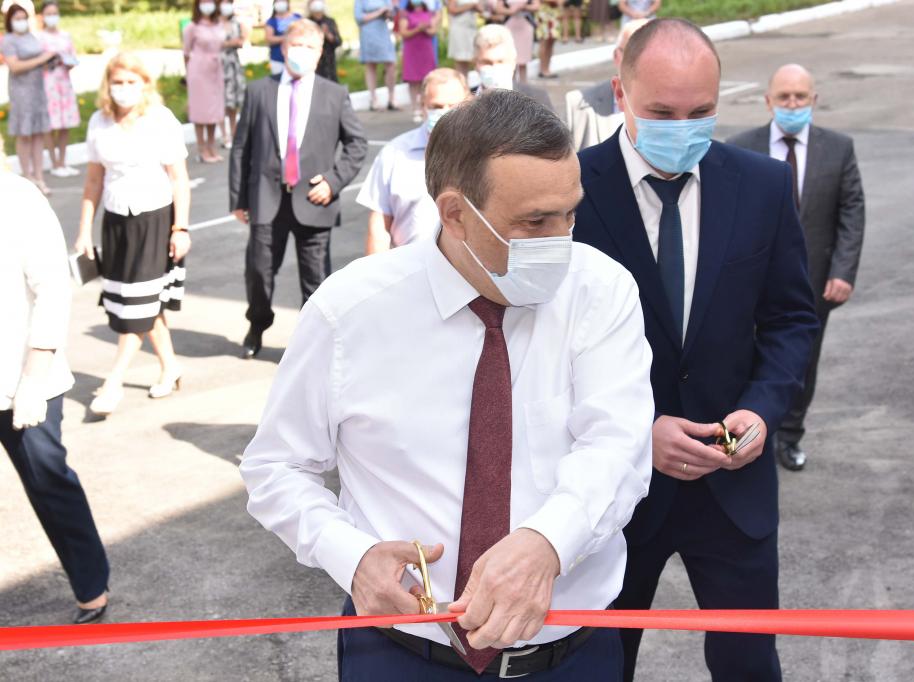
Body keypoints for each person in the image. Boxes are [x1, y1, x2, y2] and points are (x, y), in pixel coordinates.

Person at [240, 88, 653, 680]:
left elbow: (618, 446)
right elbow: (277, 467)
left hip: (570, 657)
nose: (561, 240)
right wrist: (351, 558)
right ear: (455, 212)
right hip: (401, 654)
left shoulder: (600, 290)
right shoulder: (349, 312)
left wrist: (547, 542)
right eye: (535, 221)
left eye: (570, 213)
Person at [572, 19, 818, 681]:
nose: (682, 128)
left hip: (732, 487)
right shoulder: (569, 191)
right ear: (620, 94)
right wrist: (636, 433)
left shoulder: (762, 186)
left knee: (749, 665)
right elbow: (541, 348)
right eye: (662, 113)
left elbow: (792, 319)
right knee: (600, 665)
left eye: (701, 112)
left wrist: (763, 410)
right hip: (611, 494)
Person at [728, 64, 866, 472]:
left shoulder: (838, 148)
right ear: (768, 101)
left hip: (813, 281)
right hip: (748, 280)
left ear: (813, 100)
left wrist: (842, 272)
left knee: (801, 359)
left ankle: (789, 435)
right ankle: (744, 433)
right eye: (784, 97)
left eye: (800, 97)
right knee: (740, 356)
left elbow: (852, 211)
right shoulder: (741, 147)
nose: (792, 104)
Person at [1, 142, 111, 626]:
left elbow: (51, 289)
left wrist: (33, 377)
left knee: (49, 484)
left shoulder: (17, 198)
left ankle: (92, 586)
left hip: (21, 378)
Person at [229, 20, 367, 360]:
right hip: (266, 198)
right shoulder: (259, 91)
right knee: (259, 270)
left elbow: (357, 144)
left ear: (319, 53)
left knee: (315, 278)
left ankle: (312, 341)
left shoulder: (334, 94)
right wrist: (238, 198)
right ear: (283, 48)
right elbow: (241, 147)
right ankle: (258, 323)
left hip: (313, 200)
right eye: (295, 45)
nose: (301, 53)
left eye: (309, 47)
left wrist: (333, 181)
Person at [74, 52, 192, 417]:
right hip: (116, 223)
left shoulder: (160, 119)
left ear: (144, 84)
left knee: (138, 305)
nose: (124, 88)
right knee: (138, 301)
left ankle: (113, 382)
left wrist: (181, 228)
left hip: (155, 220)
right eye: (118, 82)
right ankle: (170, 367)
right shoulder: (99, 121)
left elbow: (179, 178)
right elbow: (94, 181)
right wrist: (84, 230)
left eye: (131, 82)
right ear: (107, 85)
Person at [358, 68, 469, 254]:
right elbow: (379, 226)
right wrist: (375, 270)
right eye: (436, 106)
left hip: (468, 268)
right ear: (423, 104)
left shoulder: (483, 154)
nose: (445, 113)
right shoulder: (394, 154)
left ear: (468, 104)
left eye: (453, 106)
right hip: (408, 265)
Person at [565, 18, 647, 151]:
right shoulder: (577, 105)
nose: (641, 63)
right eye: (633, 54)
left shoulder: (678, 109)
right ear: (616, 56)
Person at [2, 3, 53, 195]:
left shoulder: (32, 37)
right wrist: (41, 59)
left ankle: (39, 176)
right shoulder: (8, 40)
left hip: (38, 90)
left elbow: (41, 59)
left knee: (38, 133)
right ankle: (27, 176)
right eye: (17, 19)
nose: (21, 22)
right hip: (21, 92)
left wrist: (49, 61)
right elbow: (15, 66)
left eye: (24, 18)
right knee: (24, 134)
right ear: (10, 20)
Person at [37, 0, 79, 178]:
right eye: (49, 14)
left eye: (54, 13)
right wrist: (48, 59)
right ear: (43, 16)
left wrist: (68, 62)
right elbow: (36, 61)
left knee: (65, 124)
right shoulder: (39, 38)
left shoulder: (65, 36)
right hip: (48, 84)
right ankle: (54, 162)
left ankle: (62, 161)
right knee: (50, 124)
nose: (52, 17)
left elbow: (73, 57)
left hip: (64, 83)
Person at [184, 0, 226, 163]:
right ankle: (202, 149)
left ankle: (211, 146)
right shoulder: (192, 27)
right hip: (199, 71)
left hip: (216, 70)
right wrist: (188, 74)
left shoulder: (218, 24)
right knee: (200, 109)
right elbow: (186, 53)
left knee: (214, 110)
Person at [473, 24, 554, 110]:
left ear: (513, 62)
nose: (495, 68)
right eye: (487, 62)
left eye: (501, 62)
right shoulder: (466, 102)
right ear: (475, 63)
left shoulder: (538, 101)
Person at [398, 0, 438, 123]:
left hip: (426, 50)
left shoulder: (429, 14)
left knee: (426, 80)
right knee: (413, 80)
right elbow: (403, 32)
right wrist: (417, 29)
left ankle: (425, 106)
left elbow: (433, 31)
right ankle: (415, 108)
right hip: (412, 50)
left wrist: (424, 29)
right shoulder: (405, 15)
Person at [354, 0, 397, 110]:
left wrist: (389, 12)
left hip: (383, 33)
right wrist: (379, 12)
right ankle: (373, 99)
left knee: (391, 64)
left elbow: (391, 15)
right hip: (368, 35)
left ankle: (391, 99)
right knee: (371, 66)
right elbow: (358, 18)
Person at [219, 0, 249, 149]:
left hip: (233, 65)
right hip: (217, 66)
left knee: (233, 103)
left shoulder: (236, 22)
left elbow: (242, 41)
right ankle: (224, 135)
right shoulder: (213, 23)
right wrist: (230, 42)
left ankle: (234, 133)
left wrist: (226, 43)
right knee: (219, 102)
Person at [488, 0, 539, 83]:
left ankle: (523, 85)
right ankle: (512, 85)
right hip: (509, 26)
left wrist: (524, 7)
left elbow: (536, 6)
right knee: (510, 59)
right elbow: (498, 8)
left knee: (523, 60)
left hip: (525, 25)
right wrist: (511, 11)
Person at [265, 0, 302, 75]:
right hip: (278, 59)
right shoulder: (271, 21)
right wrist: (287, 37)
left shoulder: (297, 17)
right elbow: (269, 39)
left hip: (297, 58)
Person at [308, 0, 341, 81]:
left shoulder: (329, 21)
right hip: (313, 63)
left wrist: (327, 34)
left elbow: (338, 41)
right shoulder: (307, 22)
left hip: (329, 63)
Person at [446, 0, 480, 77]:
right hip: (459, 29)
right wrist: (470, 6)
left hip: (471, 29)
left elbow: (481, 10)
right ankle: (460, 81)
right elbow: (452, 9)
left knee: (471, 59)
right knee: (460, 60)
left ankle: (466, 81)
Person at [535, 0, 561, 79]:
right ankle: (542, 69)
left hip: (554, 13)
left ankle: (547, 68)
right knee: (544, 41)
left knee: (551, 42)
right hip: (544, 13)